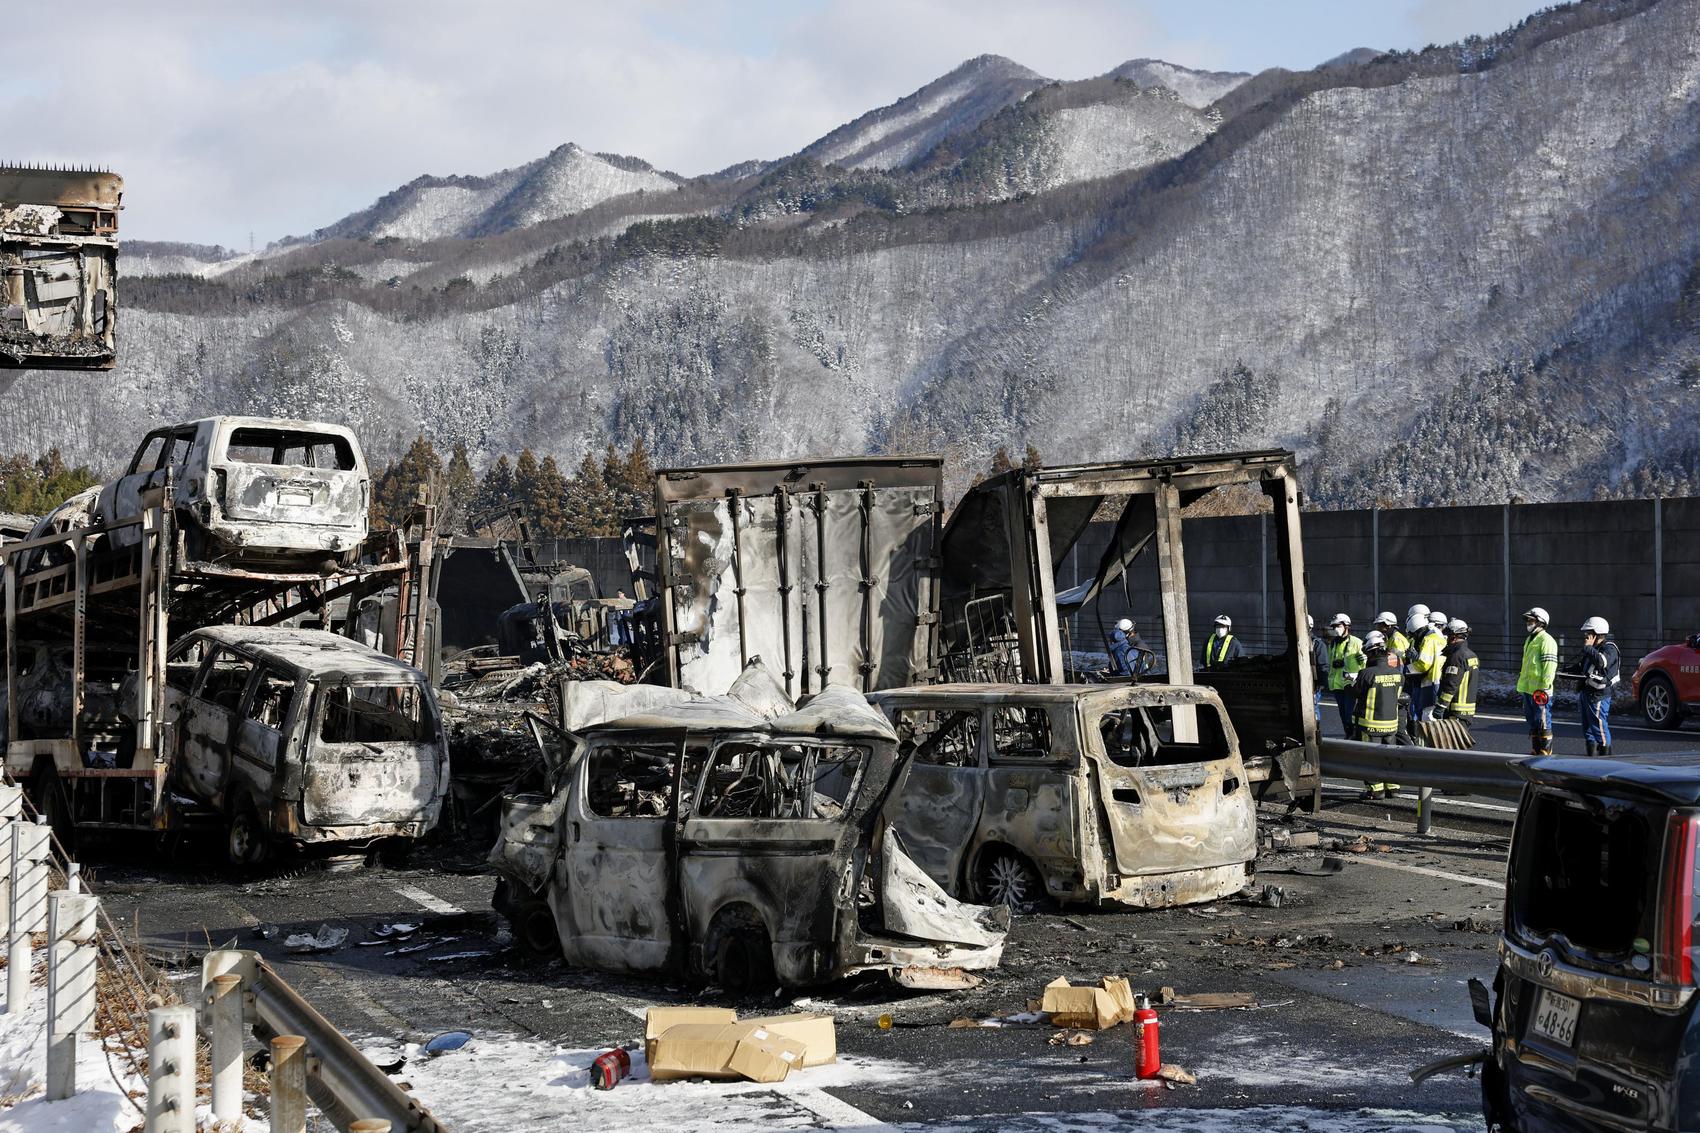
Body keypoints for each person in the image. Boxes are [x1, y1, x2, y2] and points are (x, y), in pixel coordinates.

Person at [1354, 630, 1404, 798]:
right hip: (1391, 725)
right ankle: (1393, 787)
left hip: (1371, 725)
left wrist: (1348, 683)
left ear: (1372, 653)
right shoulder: (1398, 674)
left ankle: (1375, 790)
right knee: (1390, 756)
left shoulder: (1366, 674)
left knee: (1371, 758)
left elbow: (1356, 693)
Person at [1568, 616, 1620, 756]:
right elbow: (1583, 666)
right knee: (1587, 727)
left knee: (1599, 726)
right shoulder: (1592, 648)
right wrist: (1566, 671)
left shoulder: (1610, 648)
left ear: (1597, 633)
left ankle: (1605, 758)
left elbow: (1601, 662)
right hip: (1587, 691)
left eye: (1589, 633)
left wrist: (1588, 648)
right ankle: (1590, 757)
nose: (1586, 636)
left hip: (1598, 694)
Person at [1517, 606, 1559, 755]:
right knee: (1533, 720)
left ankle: (1545, 751)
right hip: (1528, 689)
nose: (1528, 622)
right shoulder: (1530, 639)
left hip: (1541, 691)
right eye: (1528, 620)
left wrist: (1545, 687)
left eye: (1531, 620)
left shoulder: (1546, 640)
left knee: (1543, 720)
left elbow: (1550, 666)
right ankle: (1535, 749)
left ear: (1540, 622)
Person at [1434, 618, 1479, 741]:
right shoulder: (1471, 654)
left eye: (1448, 635)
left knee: (1452, 746)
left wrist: (1441, 706)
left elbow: (1451, 684)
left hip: (1456, 710)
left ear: (1453, 636)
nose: (1446, 638)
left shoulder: (1456, 656)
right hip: (1466, 710)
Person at [1404, 610, 1442, 737]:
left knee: (1427, 715)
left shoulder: (1428, 639)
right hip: (1437, 680)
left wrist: (1406, 669)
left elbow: (1423, 664)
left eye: (1415, 634)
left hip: (1430, 681)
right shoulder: (1437, 636)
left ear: (1418, 630)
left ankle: (1427, 745)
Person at [1326, 614, 1364, 734]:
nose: (1335, 629)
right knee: (1343, 715)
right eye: (1334, 626)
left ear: (1346, 626)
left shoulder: (1357, 642)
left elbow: (1364, 664)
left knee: (1350, 715)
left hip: (1351, 684)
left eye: (1338, 626)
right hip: (1337, 685)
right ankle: (1348, 736)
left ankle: (1354, 737)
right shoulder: (1333, 644)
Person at [1308, 614, 1329, 723]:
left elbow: (1323, 665)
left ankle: (1315, 729)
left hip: (1313, 684)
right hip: (1304, 682)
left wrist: (1320, 684)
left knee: (1313, 707)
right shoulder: (1297, 643)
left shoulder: (1317, 644)